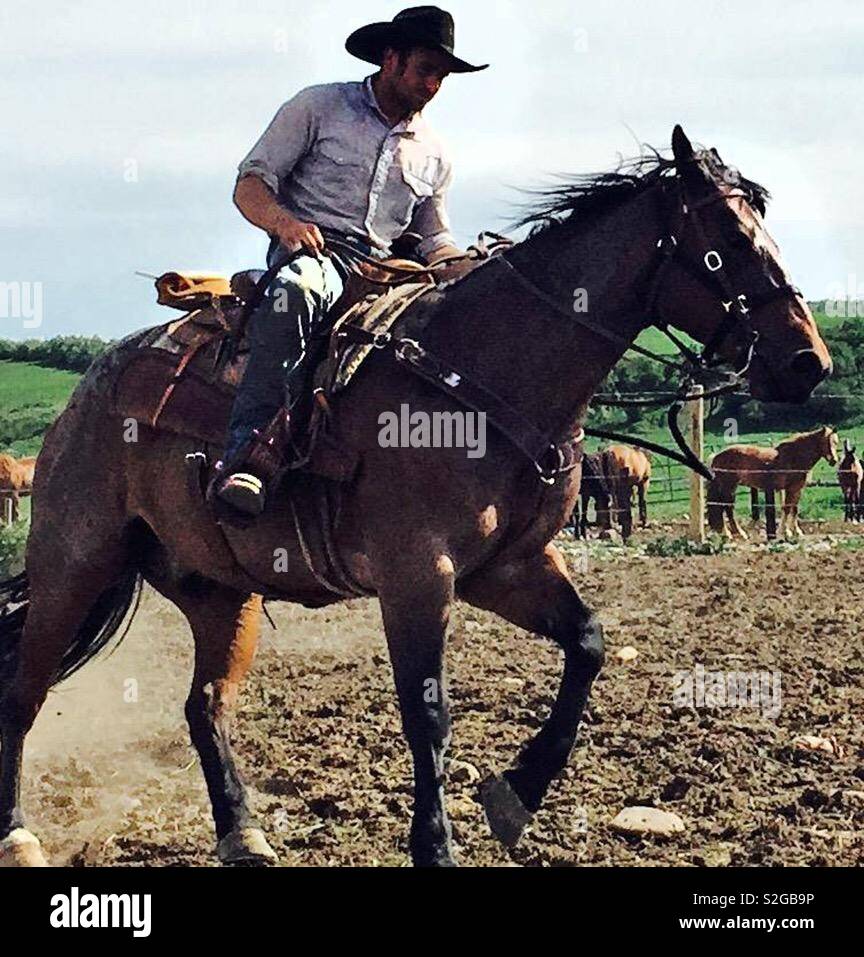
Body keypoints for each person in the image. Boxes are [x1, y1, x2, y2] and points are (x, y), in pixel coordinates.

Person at [211, 5, 488, 517]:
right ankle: (248, 454)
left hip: (389, 274)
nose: (434, 85)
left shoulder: (435, 153)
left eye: (442, 76)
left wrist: (474, 268)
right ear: (391, 59)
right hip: (316, 256)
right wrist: (284, 224)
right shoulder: (318, 107)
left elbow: (433, 237)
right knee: (296, 291)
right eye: (426, 69)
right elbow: (250, 185)